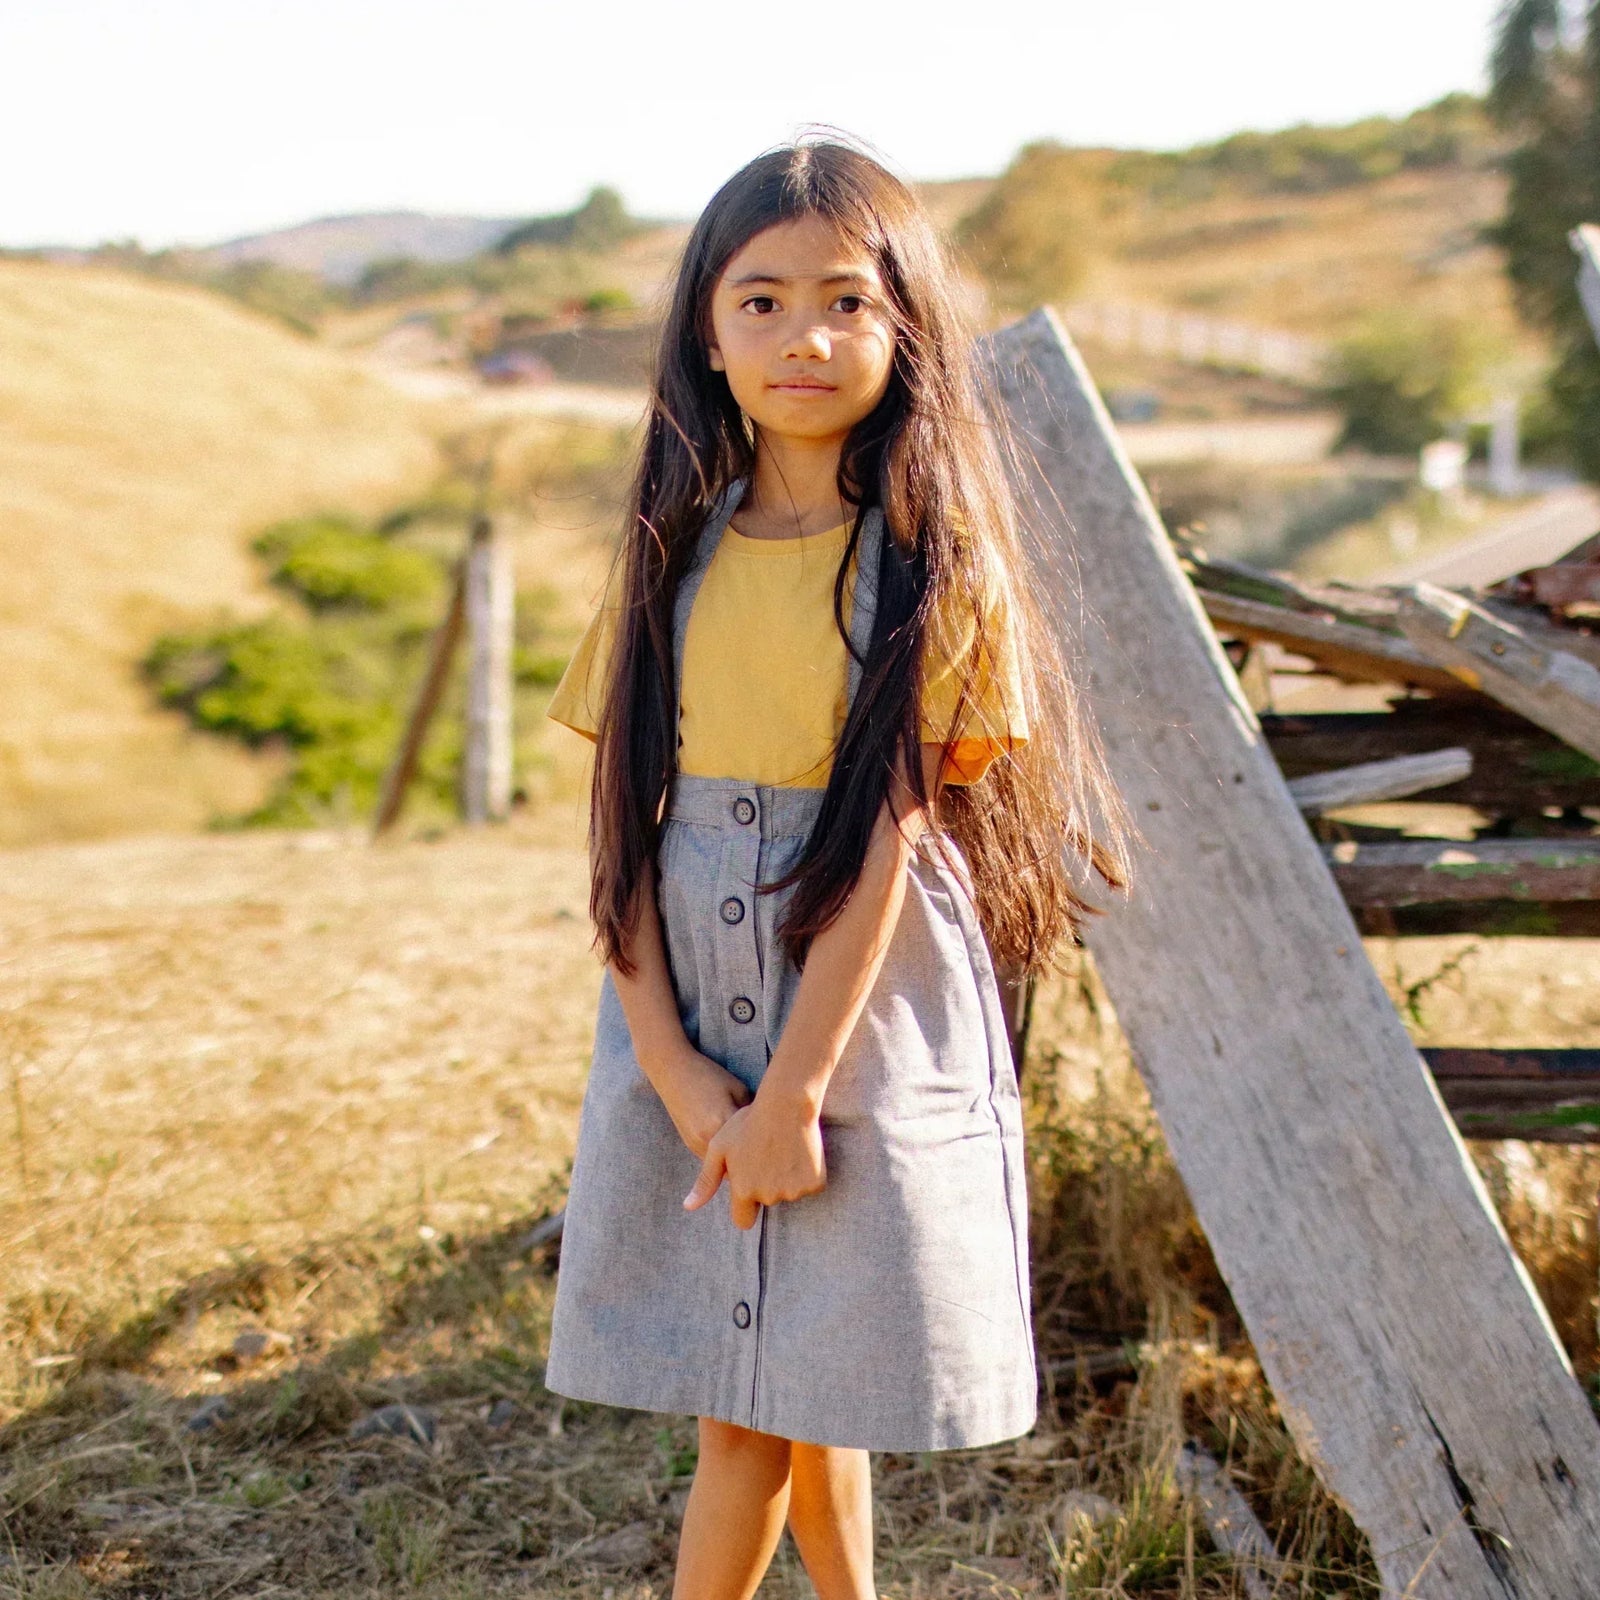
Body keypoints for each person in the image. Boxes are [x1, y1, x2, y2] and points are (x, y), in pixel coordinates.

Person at [543, 137, 1129, 1600]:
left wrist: (792, 1092)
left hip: (854, 1024)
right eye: (760, 301)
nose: (804, 336)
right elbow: (624, 836)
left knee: (773, 1402)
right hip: (688, 998)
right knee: (771, 1385)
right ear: (705, 331)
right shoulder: (668, 566)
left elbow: (885, 852)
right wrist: (676, 1072)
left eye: (846, 301)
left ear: (904, 324)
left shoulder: (936, 570)